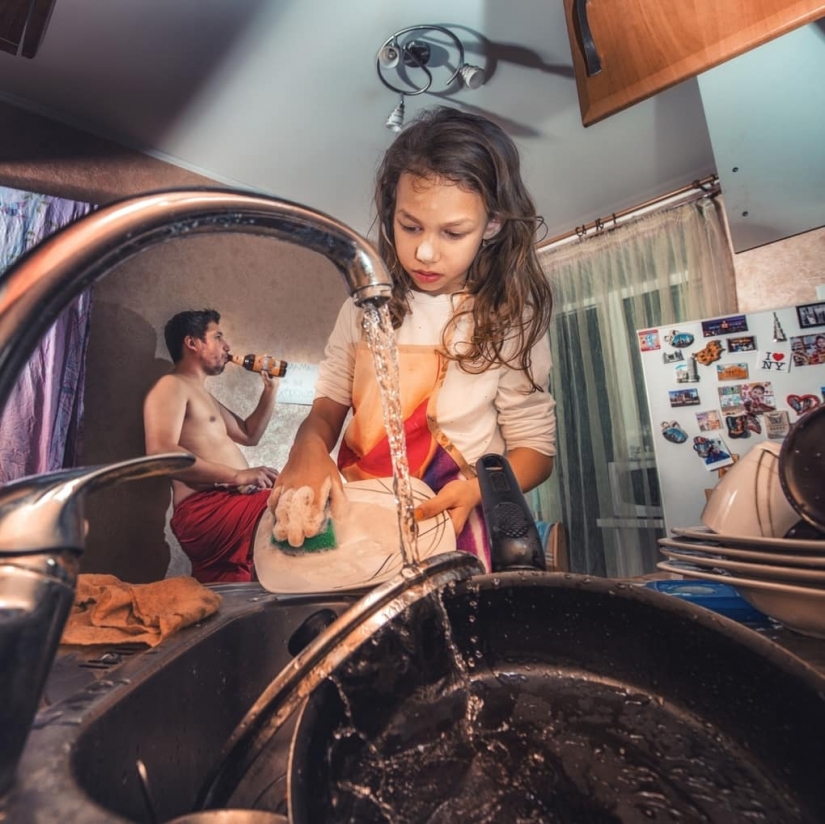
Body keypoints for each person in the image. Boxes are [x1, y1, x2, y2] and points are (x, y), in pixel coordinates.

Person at [269, 107, 556, 571]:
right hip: (360, 528)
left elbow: (536, 451)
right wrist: (307, 449)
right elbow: (328, 405)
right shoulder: (361, 311)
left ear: (494, 225)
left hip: (457, 526)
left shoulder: (508, 320)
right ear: (391, 213)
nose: (424, 251)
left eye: (452, 232)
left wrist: (479, 489)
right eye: (410, 226)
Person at [143, 309, 280, 583]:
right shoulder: (171, 385)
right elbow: (160, 453)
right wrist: (237, 475)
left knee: (228, 602)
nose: (227, 346)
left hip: (229, 507)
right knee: (290, 501)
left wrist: (270, 391)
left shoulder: (205, 396)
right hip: (206, 510)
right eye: (217, 336)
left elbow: (249, 434)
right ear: (192, 343)